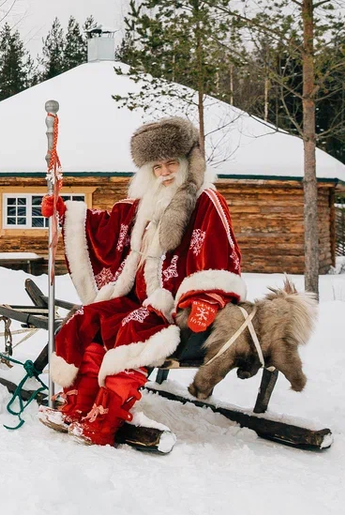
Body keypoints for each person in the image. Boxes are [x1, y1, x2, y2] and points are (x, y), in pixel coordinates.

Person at [39, 116, 246, 446]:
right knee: (86, 318)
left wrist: (206, 297)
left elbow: (219, 250)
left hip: (171, 304)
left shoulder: (205, 200)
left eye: (170, 163)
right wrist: (65, 214)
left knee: (131, 328)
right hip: (133, 297)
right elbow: (108, 228)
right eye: (156, 167)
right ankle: (78, 407)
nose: (164, 172)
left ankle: (104, 420)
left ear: (186, 162)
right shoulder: (144, 203)